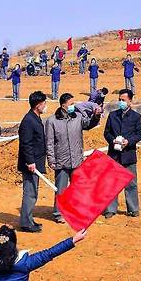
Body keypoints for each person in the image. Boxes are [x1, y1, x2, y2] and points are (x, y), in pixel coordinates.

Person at [45, 93, 101, 223]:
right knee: (61, 189)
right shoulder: (52, 121)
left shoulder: (78, 117)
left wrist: (96, 115)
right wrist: (51, 160)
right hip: (61, 160)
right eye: (71, 104)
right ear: (63, 105)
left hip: (76, 159)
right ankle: (59, 213)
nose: (73, 106)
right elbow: (49, 142)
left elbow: (89, 124)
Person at [102, 89, 141, 219]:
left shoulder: (136, 117)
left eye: (123, 100)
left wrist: (129, 142)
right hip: (114, 155)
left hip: (128, 154)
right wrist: (112, 140)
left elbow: (140, 134)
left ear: (130, 101)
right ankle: (110, 209)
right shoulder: (113, 115)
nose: (121, 102)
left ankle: (133, 209)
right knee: (111, 183)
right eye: (119, 99)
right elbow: (107, 132)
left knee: (131, 183)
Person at [18, 91, 48, 233]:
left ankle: (29, 219)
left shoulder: (35, 118)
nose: (45, 106)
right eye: (44, 103)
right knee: (30, 193)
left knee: (33, 192)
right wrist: (30, 162)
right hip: (31, 164)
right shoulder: (28, 121)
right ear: (38, 105)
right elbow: (26, 143)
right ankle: (25, 223)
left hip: (36, 162)